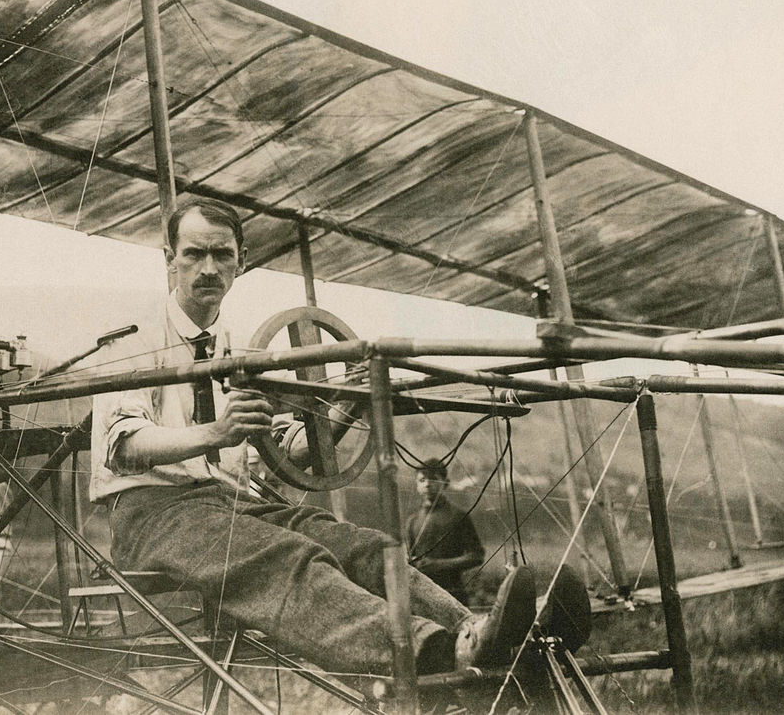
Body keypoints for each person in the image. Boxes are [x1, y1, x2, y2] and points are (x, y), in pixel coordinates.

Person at [90, 196, 542, 677]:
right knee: (289, 556)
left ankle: (482, 633)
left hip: (230, 506)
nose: (208, 268)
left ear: (241, 263)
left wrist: (351, 404)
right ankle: (433, 651)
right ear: (169, 259)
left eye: (222, 255)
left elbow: (285, 452)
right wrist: (218, 432)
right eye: (194, 254)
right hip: (152, 513)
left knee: (363, 545)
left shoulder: (241, 348)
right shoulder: (132, 339)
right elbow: (123, 448)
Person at [405, 459, 484, 604]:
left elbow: (477, 555)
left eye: (434, 479)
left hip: (453, 594)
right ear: (416, 485)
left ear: (445, 483)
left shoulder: (458, 516)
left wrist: (439, 564)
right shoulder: (412, 521)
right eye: (422, 480)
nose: (427, 484)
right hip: (422, 598)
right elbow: (409, 559)